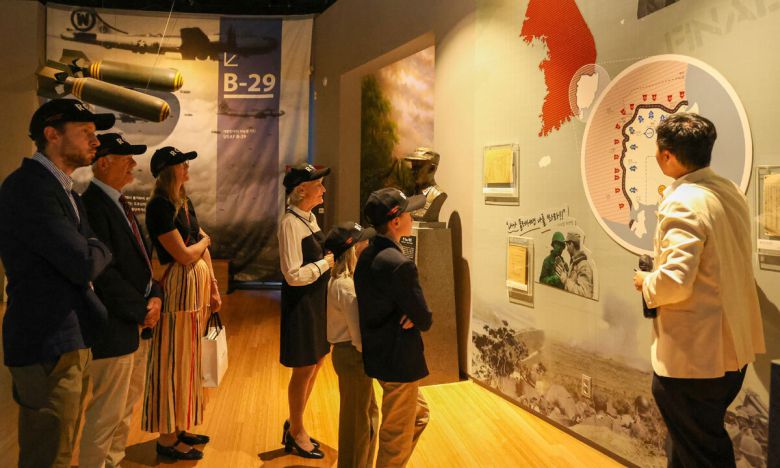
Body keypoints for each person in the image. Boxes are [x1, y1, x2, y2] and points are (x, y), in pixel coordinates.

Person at [632, 113, 765, 467]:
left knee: (703, 454)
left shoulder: (684, 200)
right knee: (691, 446)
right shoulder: (729, 191)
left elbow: (676, 280)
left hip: (696, 361)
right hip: (732, 352)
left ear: (667, 155)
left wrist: (646, 283)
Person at [0, 98, 114, 468]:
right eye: (85, 132)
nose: (95, 141)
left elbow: (90, 249)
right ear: (52, 134)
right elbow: (85, 261)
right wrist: (96, 246)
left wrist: (93, 246)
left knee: (62, 448)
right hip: (47, 340)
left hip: (67, 336)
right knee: (48, 454)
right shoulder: (29, 188)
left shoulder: (65, 192)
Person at [79, 133, 163, 467]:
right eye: (126, 157)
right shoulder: (92, 206)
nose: (133, 163)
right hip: (114, 326)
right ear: (103, 162)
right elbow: (104, 273)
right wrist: (142, 309)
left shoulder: (118, 202)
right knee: (106, 413)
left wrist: (155, 296)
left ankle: (113, 461)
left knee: (124, 407)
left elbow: (140, 262)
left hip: (134, 323)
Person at [143, 146, 222, 460]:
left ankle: (179, 426)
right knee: (172, 359)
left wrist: (213, 286)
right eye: (181, 163)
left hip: (195, 291)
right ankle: (166, 437)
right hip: (178, 290)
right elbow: (185, 254)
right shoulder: (159, 206)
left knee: (188, 361)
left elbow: (199, 247)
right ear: (168, 170)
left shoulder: (183, 202)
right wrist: (204, 242)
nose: (187, 166)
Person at [354, 187, 433, 468]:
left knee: (419, 415)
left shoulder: (366, 255)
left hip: (379, 355)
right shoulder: (399, 265)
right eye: (409, 213)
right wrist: (414, 313)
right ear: (396, 221)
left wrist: (410, 311)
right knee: (395, 438)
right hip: (400, 361)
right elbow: (424, 318)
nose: (413, 217)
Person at [278, 163, 334, 459]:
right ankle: (296, 431)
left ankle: (295, 422)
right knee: (304, 368)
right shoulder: (290, 223)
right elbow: (292, 275)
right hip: (301, 305)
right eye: (318, 185)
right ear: (301, 190)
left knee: (317, 362)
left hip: (316, 302)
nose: (323, 189)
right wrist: (326, 263)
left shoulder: (309, 218)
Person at [324, 221, 379, 468]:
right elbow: (358, 336)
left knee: (366, 416)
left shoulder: (342, 280)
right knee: (357, 424)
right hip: (353, 356)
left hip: (349, 355)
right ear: (353, 249)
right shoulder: (346, 286)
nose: (367, 243)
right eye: (362, 241)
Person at [403, 147, 447, 222]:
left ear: (432, 169)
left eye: (418, 167)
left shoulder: (438, 195)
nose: (413, 171)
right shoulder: (411, 192)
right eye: (413, 167)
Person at [563, 232, 593, 298]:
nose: (567, 249)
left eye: (567, 245)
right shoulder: (574, 264)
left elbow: (585, 294)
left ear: (571, 244)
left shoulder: (584, 265)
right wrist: (567, 273)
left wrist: (565, 280)